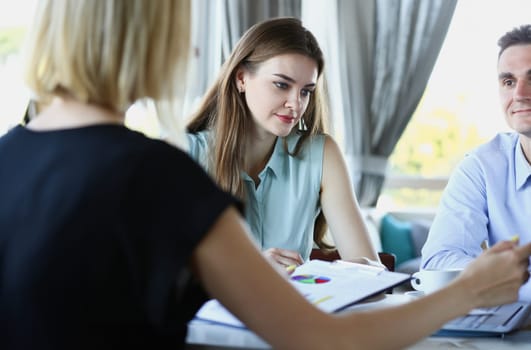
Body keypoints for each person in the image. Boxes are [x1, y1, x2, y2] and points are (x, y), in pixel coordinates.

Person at [1, 1, 531, 349]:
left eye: (304, 91)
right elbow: (315, 339)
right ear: (148, 45)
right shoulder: (160, 172)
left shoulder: (9, 157)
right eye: (180, 35)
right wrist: (466, 293)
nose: (188, 51)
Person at [186, 17, 379, 270]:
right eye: (281, 85)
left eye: (306, 91)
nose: (296, 104)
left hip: (297, 308)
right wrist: (251, 271)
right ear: (241, 78)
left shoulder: (321, 155)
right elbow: (157, 276)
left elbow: (370, 270)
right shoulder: (186, 154)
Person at [421, 24, 531, 302]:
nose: (519, 93)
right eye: (508, 81)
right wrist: (495, 275)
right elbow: (438, 263)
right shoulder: (481, 168)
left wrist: (506, 284)